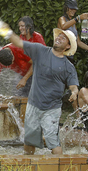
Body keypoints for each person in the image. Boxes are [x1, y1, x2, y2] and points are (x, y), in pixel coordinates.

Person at [5, 26, 79, 155]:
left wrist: (74, 93)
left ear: (68, 46)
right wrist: (4, 29)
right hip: (33, 105)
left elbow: (74, 86)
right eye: (59, 36)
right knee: (29, 142)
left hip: (52, 108)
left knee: (52, 141)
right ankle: (28, 170)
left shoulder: (68, 66)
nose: (59, 38)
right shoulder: (40, 50)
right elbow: (18, 42)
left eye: (64, 38)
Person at [0, 16, 46, 102]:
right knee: (19, 97)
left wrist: (24, 79)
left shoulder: (21, 48)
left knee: (38, 98)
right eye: (19, 26)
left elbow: (38, 62)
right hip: (24, 74)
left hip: (39, 72)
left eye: (22, 26)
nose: (20, 28)